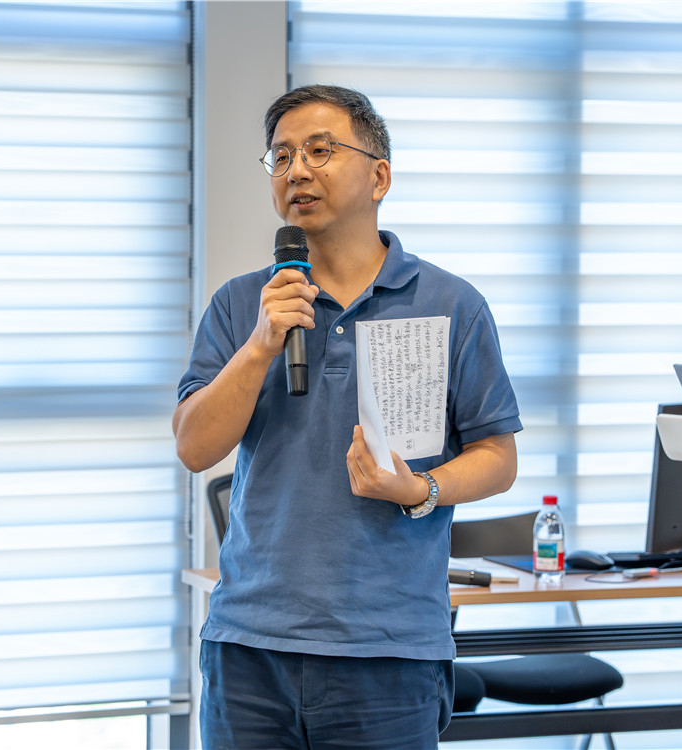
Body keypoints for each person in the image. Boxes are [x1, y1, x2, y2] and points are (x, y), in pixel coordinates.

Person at [174, 84, 522, 750]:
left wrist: (421, 489)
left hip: (389, 650)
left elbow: (498, 457)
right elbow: (194, 446)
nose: (296, 171)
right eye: (280, 157)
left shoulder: (451, 304)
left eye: (319, 150)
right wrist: (262, 343)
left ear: (379, 177)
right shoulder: (242, 304)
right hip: (249, 646)